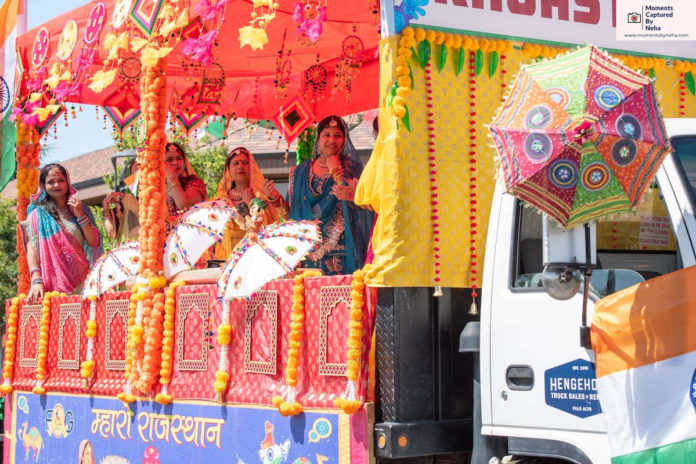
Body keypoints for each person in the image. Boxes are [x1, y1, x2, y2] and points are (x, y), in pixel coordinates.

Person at [288, 115, 373, 275]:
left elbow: (363, 207)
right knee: (304, 297)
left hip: (343, 251)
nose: (332, 140)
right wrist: (272, 199)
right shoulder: (301, 171)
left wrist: (338, 174)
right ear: (318, 139)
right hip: (306, 250)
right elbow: (290, 210)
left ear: (344, 140)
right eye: (327, 135)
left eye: (338, 135)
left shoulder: (352, 168)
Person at [22, 163, 102, 301]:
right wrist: (36, 279)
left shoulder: (81, 209)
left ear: (67, 182)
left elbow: (93, 241)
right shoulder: (37, 215)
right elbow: (32, 249)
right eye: (50, 182)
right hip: (53, 286)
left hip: (83, 282)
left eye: (60, 180)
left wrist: (80, 215)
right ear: (43, 186)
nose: (56, 185)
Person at [214, 146, 288, 259]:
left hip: (257, 257)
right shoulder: (221, 199)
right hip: (228, 259)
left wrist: (252, 202)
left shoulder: (262, 194)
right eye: (236, 163)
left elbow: (271, 227)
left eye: (245, 162)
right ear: (228, 170)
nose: (240, 166)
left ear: (251, 168)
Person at [164, 142, 206, 222]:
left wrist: (171, 176)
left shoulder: (195, 183)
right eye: (170, 160)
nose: (175, 162)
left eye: (179, 158)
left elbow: (184, 205)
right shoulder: (158, 186)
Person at [102, 158, 139, 243]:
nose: (140, 174)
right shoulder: (124, 203)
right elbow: (111, 233)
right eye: (135, 171)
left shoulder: (160, 195)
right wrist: (105, 205)